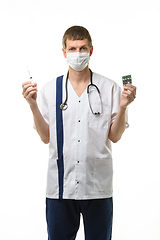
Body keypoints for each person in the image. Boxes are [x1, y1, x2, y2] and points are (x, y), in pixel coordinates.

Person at [22, 26, 136, 240]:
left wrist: (123, 106)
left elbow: (115, 136)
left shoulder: (109, 87)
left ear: (91, 51)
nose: (78, 53)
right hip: (60, 188)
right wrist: (33, 106)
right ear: (64, 52)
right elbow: (45, 137)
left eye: (83, 48)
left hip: (98, 187)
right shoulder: (49, 89)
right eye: (72, 49)